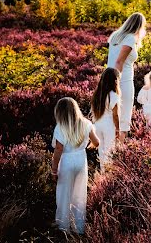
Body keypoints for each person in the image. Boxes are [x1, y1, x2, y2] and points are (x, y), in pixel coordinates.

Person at [51, 97, 99, 234]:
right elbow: (96, 142)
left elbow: (58, 149)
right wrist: (85, 147)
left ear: (59, 112)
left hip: (66, 161)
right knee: (79, 193)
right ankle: (78, 227)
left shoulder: (60, 127)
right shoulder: (86, 123)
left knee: (64, 193)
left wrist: (54, 170)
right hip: (80, 160)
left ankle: (63, 225)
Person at [107, 12, 147, 141]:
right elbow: (119, 61)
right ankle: (119, 150)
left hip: (108, 78)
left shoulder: (115, 36)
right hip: (122, 81)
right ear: (139, 26)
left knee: (111, 114)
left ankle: (110, 148)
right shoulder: (130, 38)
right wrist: (116, 83)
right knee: (123, 116)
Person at [91, 67, 120, 171]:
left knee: (101, 151)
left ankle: (103, 171)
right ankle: (108, 175)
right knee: (109, 150)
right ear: (114, 80)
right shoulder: (113, 95)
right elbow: (115, 115)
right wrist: (118, 128)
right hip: (109, 124)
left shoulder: (97, 94)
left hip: (97, 124)